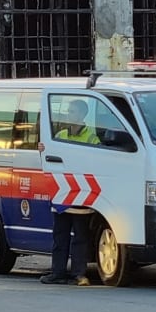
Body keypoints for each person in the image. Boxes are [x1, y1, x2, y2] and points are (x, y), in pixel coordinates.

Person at [41, 99, 99, 287]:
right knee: (60, 236)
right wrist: (42, 150)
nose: (69, 115)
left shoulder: (92, 136)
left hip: (81, 194)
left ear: (82, 115)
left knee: (80, 237)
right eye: (68, 111)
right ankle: (57, 272)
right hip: (61, 193)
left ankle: (79, 274)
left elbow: (96, 160)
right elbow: (50, 159)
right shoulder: (60, 134)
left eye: (72, 111)